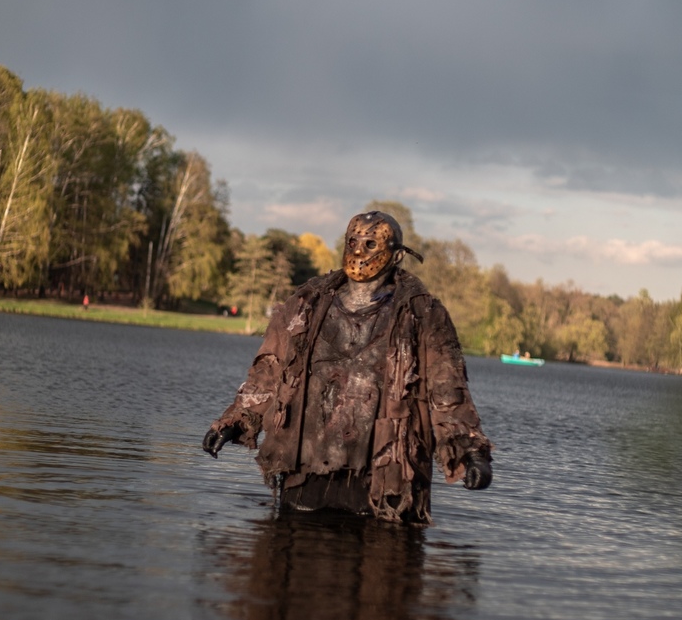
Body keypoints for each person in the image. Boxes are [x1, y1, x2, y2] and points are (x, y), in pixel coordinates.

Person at [203, 210, 492, 525]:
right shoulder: (306, 304)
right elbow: (269, 373)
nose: (358, 250)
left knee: (382, 560)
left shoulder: (422, 314)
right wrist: (235, 421)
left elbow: (446, 388)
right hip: (304, 471)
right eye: (353, 241)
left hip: (382, 479)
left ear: (396, 255)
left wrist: (470, 451)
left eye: (370, 244)